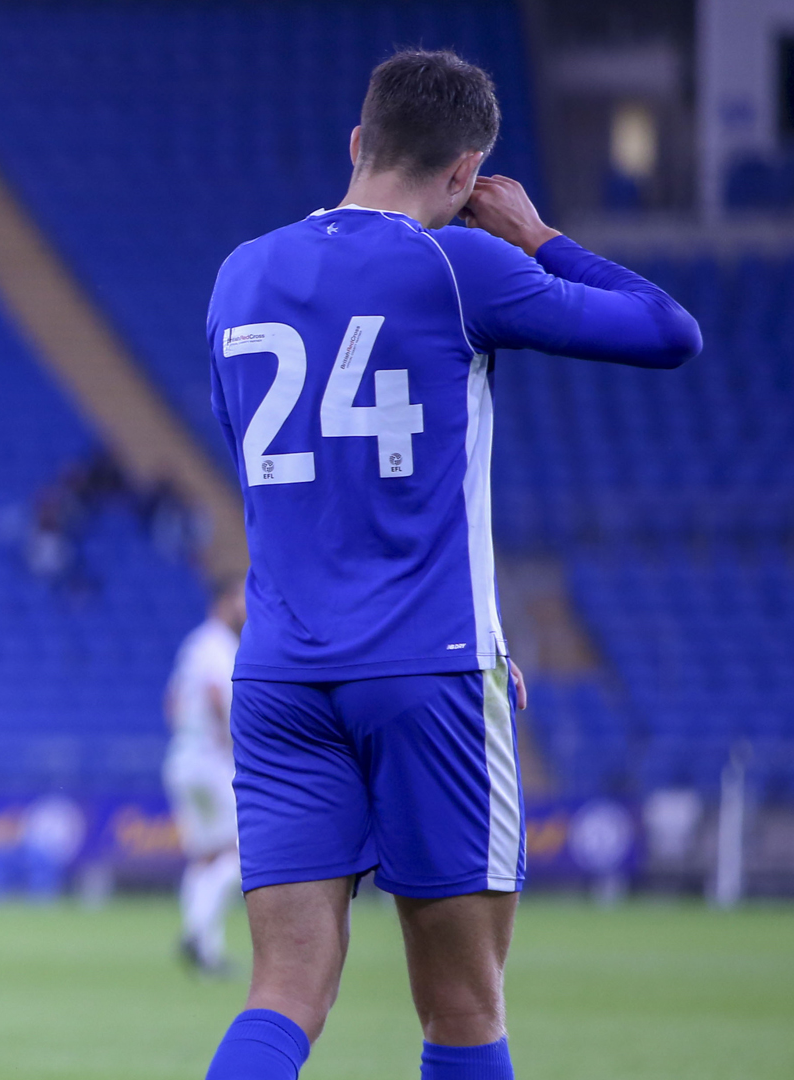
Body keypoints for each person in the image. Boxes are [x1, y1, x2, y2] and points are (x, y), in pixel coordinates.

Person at [202, 50, 699, 1080]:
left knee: (285, 992)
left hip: (283, 672)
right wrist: (542, 238)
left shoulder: (239, 272)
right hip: (426, 667)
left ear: (358, 141)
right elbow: (668, 333)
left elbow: (267, 475)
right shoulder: (459, 266)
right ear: (469, 172)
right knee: (462, 1008)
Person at [163, 586, 244, 977]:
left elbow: (172, 700)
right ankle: (196, 934)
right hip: (212, 761)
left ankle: (206, 951)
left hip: (182, 757)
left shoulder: (193, 645)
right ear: (223, 602)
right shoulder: (218, 645)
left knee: (204, 856)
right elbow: (216, 694)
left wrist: (187, 733)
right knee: (241, 849)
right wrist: (227, 739)